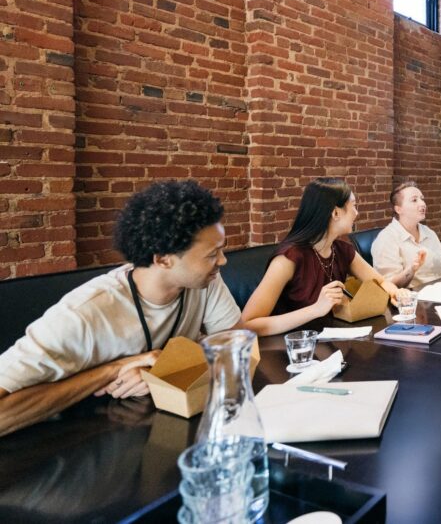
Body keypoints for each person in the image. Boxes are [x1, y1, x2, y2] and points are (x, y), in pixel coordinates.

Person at [0, 180, 241, 438]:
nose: (223, 260)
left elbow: (236, 347)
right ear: (162, 259)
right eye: (212, 253)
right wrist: (112, 370)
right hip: (61, 446)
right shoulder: (83, 313)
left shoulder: (205, 282)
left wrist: (161, 370)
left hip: (150, 433)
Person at [241, 178, 404, 335]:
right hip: (292, 352)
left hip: (330, 345)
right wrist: (316, 309)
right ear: (335, 212)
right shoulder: (288, 258)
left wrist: (396, 293)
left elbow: (380, 282)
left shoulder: (342, 250)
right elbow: (248, 324)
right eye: (354, 206)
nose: (356, 213)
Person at [371, 181, 441, 289]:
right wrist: (411, 270)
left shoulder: (427, 231)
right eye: (414, 200)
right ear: (398, 209)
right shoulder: (386, 239)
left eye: (422, 199)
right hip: (415, 301)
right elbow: (389, 286)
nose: (422, 203)